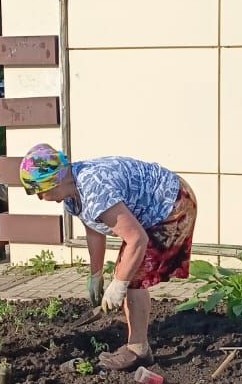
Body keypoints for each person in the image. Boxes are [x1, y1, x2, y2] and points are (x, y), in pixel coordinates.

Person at [19, 145, 197, 371]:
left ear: (56, 179)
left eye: (41, 190)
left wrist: (119, 284)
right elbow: (95, 230)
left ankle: (138, 350)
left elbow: (137, 240)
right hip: (159, 204)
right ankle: (136, 330)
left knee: (133, 275)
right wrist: (96, 275)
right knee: (127, 269)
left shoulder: (95, 189)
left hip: (172, 205)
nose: (41, 198)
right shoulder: (73, 195)